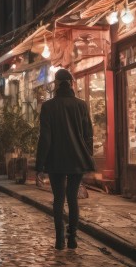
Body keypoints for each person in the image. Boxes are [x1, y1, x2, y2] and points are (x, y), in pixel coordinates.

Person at [35, 68, 95, 251]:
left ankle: (59, 239)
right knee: (73, 199)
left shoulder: (48, 106)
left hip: (55, 161)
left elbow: (45, 138)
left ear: (56, 83)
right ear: (71, 83)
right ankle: (73, 238)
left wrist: (40, 165)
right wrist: (87, 156)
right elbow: (88, 135)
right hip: (77, 159)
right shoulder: (82, 105)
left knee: (59, 199)